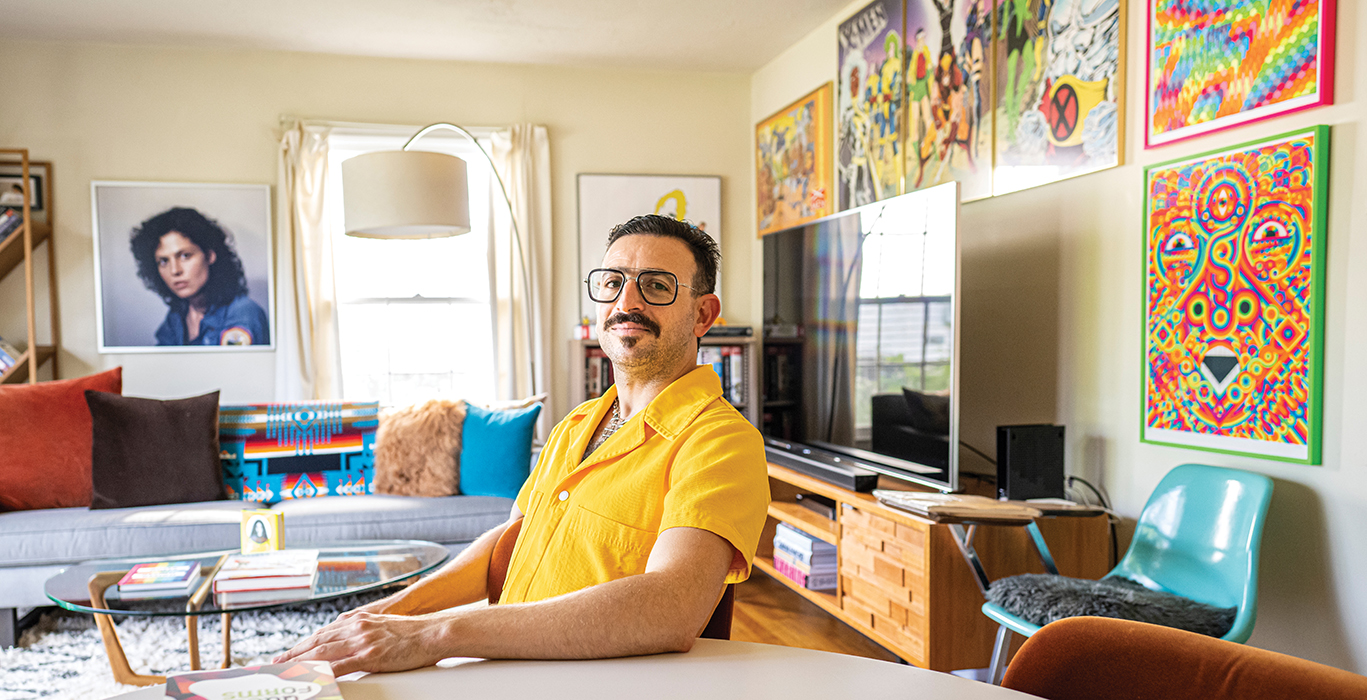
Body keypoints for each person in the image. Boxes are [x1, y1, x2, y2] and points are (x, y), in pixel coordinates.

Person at [276, 214, 769, 674]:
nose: (627, 303)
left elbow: (671, 607)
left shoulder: (720, 442)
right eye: (613, 283)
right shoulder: (577, 424)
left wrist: (433, 634)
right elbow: (509, 544)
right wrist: (390, 610)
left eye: (656, 286)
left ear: (703, 314)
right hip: (511, 670)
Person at [129, 207, 269, 346]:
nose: (175, 270)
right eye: (164, 261)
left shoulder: (243, 315)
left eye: (185, 256)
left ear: (209, 256)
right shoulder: (176, 318)